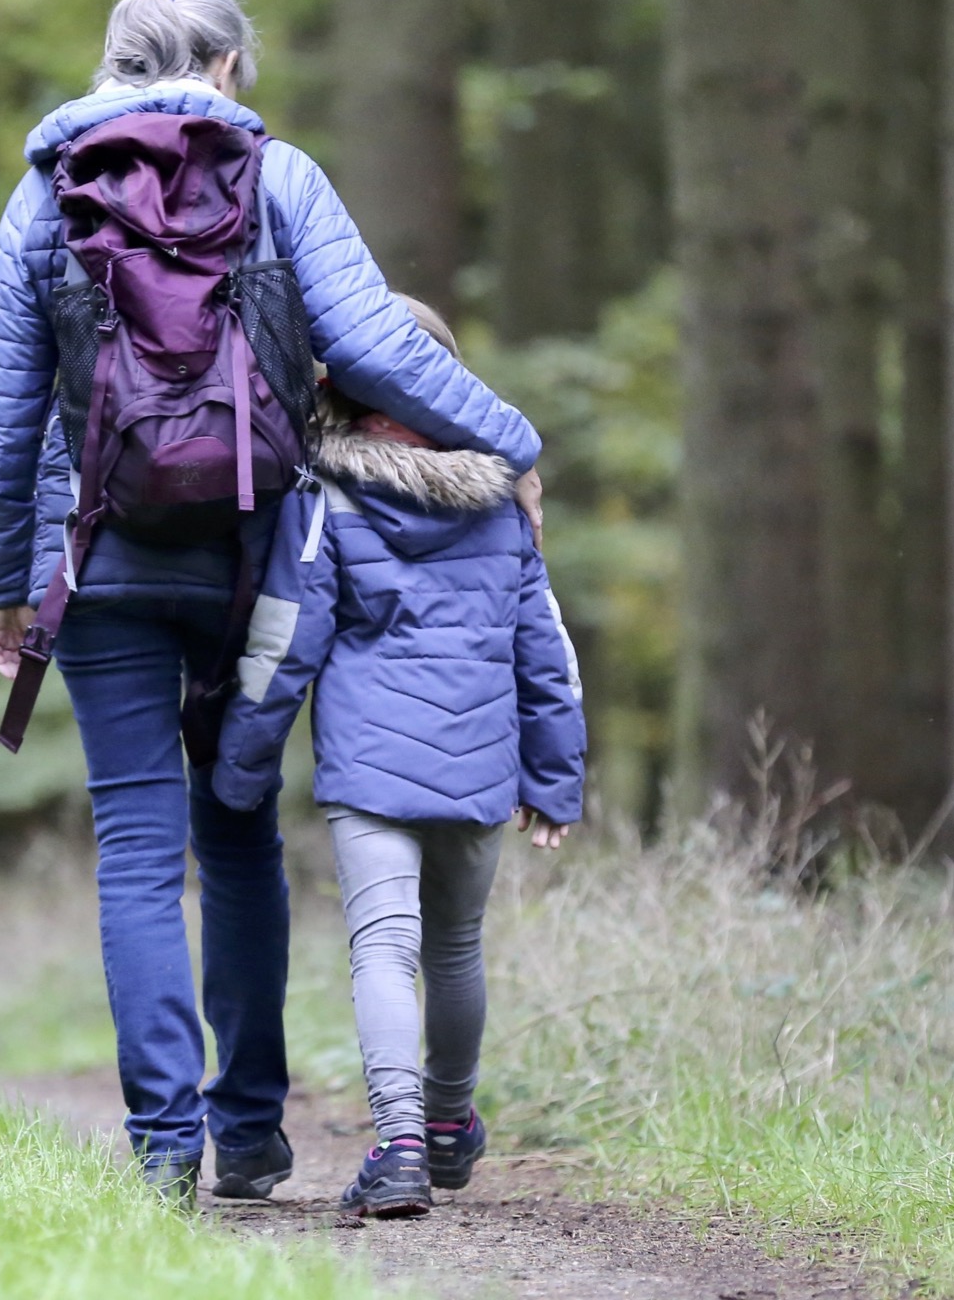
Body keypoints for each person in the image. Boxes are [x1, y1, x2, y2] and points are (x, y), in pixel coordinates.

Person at [0, 0, 545, 1205]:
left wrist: (6, 583)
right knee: (236, 831)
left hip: (102, 557)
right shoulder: (282, 179)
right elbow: (380, 345)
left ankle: (165, 1147)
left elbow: (2, 415)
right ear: (227, 66)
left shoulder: (43, 196)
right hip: (255, 559)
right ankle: (254, 1132)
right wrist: (512, 442)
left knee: (134, 843)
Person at [212, 298, 585, 1219]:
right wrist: (555, 776)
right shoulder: (503, 502)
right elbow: (547, 651)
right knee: (455, 948)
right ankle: (452, 1124)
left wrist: (241, 766)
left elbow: (284, 640)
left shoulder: (326, 496)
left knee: (384, 949)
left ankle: (402, 1145)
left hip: (372, 771)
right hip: (481, 761)